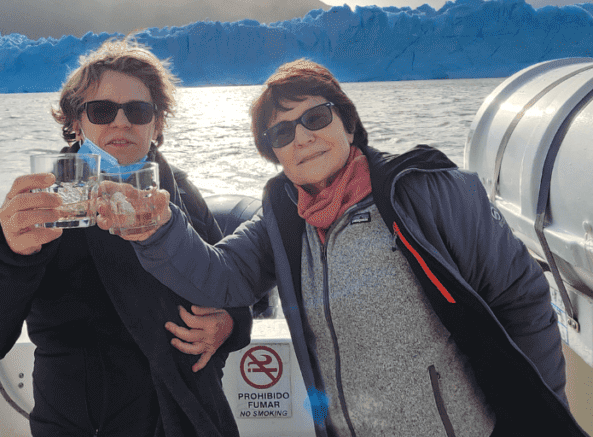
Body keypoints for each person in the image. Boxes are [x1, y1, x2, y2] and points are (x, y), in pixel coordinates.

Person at [103, 58, 587, 437]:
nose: (304, 137)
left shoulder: (427, 192)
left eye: (316, 117)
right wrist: (159, 227)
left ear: (348, 123)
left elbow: (522, 300)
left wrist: (534, 417)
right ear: (274, 152)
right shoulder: (283, 214)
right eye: (283, 131)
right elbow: (222, 276)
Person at [0, 37, 252, 437]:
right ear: (75, 122)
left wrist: (230, 325)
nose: (121, 122)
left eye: (138, 110)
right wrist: (5, 250)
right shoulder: (47, 205)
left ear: (157, 123)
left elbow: (228, 282)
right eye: (102, 110)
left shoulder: (178, 191)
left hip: (193, 423)